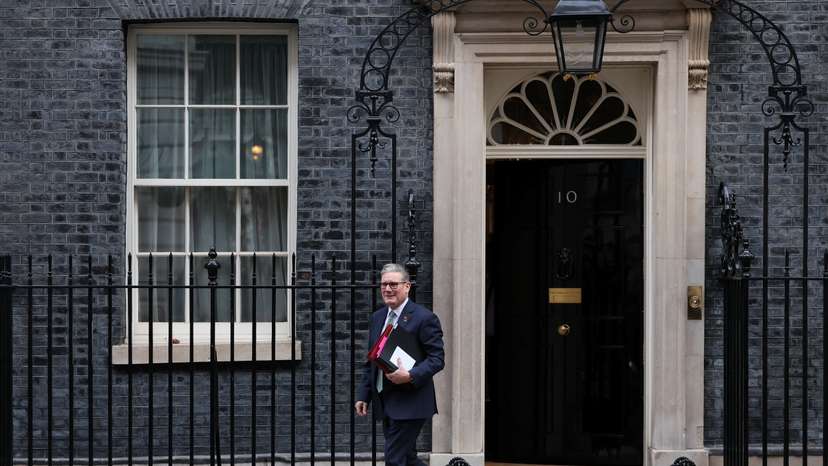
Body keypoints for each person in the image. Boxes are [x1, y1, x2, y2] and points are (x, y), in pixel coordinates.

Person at [355, 263, 445, 466]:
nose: (387, 289)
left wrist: (411, 375)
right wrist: (364, 394)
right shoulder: (378, 318)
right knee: (408, 459)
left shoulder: (424, 318)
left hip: (411, 402)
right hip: (385, 402)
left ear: (407, 286)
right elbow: (371, 360)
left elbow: (437, 359)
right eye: (384, 284)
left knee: (394, 460)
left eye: (393, 284)